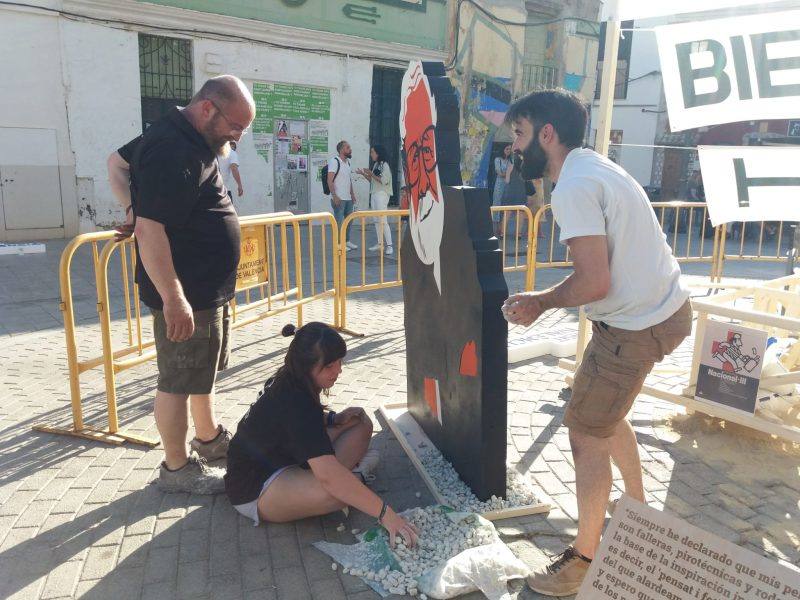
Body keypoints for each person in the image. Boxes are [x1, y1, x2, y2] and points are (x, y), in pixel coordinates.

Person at [501, 89, 692, 597]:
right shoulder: (595, 167)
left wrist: (538, 303)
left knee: (585, 431)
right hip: (659, 313)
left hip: (636, 325)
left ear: (547, 135)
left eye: (519, 135)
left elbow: (593, 282)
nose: (515, 148)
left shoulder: (572, 187)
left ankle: (584, 561)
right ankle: (635, 506)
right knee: (605, 412)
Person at [107, 75, 256, 494]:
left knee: (201, 372)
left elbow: (115, 164)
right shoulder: (174, 149)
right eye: (235, 126)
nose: (237, 137)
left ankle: (207, 439)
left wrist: (132, 207)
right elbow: (151, 231)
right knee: (177, 379)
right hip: (185, 292)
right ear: (208, 108)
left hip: (206, 290)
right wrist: (174, 299)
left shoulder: (183, 136)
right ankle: (176, 469)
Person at [224, 322, 419, 547]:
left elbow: (297, 427)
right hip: (255, 487)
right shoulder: (294, 402)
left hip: (287, 459)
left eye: (339, 361)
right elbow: (326, 472)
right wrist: (387, 515)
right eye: (329, 366)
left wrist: (332, 419)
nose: (338, 370)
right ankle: (358, 476)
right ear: (307, 366)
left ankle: (349, 480)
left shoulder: (294, 378)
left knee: (360, 422)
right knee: (336, 495)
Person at [357, 144, 394, 256]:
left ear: (378, 153)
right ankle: (380, 244)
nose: (371, 154)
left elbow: (383, 181)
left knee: (383, 220)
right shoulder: (376, 164)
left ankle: (390, 246)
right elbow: (373, 181)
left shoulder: (385, 165)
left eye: (373, 152)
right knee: (377, 220)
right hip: (374, 194)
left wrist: (371, 173)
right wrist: (364, 174)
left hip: (382, 195)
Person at [328, 141, 359, 252]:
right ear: (341, 150)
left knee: (349, 220)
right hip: (339, 198)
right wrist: (334, 195)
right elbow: (330, 180)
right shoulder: (334, 161)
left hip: (348, 198)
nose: (350, 149)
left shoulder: (347, 163)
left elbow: (348, 180)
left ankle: (346, 241)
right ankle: (339, 244)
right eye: (347, 147)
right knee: (339, 222)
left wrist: (352, 194)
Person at [492, 145, 512, 236]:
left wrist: (507, 174)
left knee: (505, 204)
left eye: (509, 149)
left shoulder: (511, 160)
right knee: (497, 203)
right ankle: (495, 227)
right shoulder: (498, 159)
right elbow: (499, 172)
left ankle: (501, 228)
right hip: (499, 184)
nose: (508, 150)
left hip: (508, 185)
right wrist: (508, 173)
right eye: (507, 149)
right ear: (503, 149)